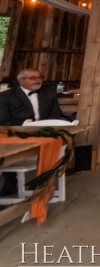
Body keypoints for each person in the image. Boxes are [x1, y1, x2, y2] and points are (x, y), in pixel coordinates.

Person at [0, 69, 70, 197]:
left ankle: (47, 179)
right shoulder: (6, 96)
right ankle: (10, 180)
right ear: (21, 81)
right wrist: (23, 130)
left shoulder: (49, 92)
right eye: (33, 78)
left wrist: (45, 128)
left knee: (60, 139)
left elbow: (55, 113)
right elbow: (4, 122)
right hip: (18, 132)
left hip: (44, 131)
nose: (38, 80)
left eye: (39, 77)